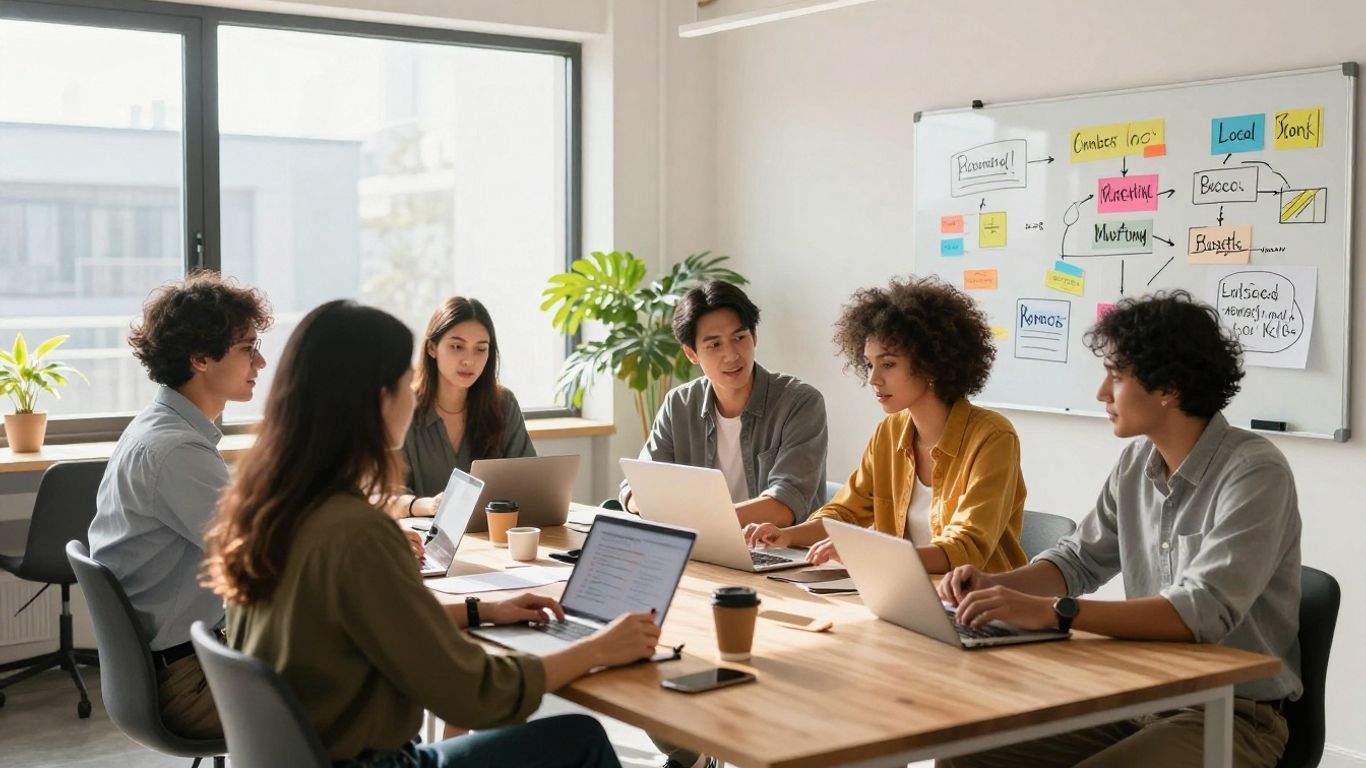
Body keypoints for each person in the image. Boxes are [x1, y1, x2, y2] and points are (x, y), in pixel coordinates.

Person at [203, 300, 659, 767]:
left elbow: (380, 619)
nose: (413, 393)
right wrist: (597, 649)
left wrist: (481, 610)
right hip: (374, 763)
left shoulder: (270, 509)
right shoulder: (358, 534)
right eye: (406, 382)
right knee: (580, 736)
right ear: (378, 399)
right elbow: (474, 694)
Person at [938, 290, 1300, 768]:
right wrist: (993, 586)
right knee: (963, 757)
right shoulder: (1136, 464)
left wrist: (1052, 612)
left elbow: (1201, 611)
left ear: (1168, 386)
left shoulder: (1254, 471)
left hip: (1231, 715)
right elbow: (1078, 561)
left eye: (1116, 375)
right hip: (1141, 696)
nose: (1101, 393)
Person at [88, 270, 272, 739]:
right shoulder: (176, 451)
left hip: (174, 665)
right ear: (200, 358)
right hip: (187, 683)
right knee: (361, 685)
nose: (261, 361)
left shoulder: (162, 429)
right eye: (247, 348)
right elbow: (259, 560)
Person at [745, 276, 1027, 574]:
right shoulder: (889, 433)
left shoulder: (993, 437)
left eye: (888, 364)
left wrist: (870, 555)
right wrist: (786, 535)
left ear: (930, 363)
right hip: (902, 587)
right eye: (869, 364)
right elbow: (845, 513)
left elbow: (966, 547)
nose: (873, 379)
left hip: (977, 596)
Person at [620, 281, 828, 527]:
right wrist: (640, 500)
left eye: (739, 337)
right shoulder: (679, 404)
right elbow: (638, 486)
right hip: (701, 542)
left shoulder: (800, 403)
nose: (731, 355)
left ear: (754, 337)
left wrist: (695, 519)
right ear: (691, 354)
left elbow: (785, 506)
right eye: (714, 345)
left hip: (776, 546)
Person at [390, 297, 535, 519]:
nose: (469, 360)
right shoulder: (403, 406)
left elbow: (530, 482)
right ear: (432, 348)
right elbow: (386, 496)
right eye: (457, 347)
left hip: (493, 533)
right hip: (423, 534)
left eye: (480, 349)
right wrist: (427, 505)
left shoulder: (503, 404)